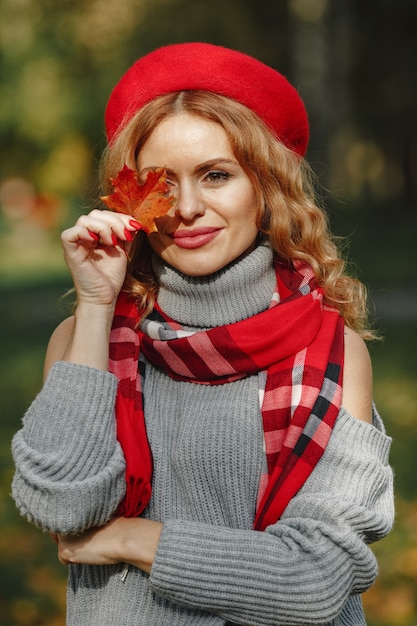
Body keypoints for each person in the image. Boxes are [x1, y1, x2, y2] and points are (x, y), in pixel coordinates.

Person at [12, 42, 394, 626]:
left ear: (264, 186)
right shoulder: (84, 340)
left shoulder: (329, 351)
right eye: (161, 182)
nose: (186, 207)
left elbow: (315, 580)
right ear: (133, 197)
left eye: (216, 175)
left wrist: (130, 539)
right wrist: (95, 305)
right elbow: (63, 506)